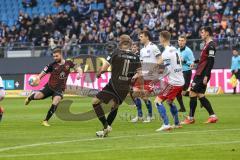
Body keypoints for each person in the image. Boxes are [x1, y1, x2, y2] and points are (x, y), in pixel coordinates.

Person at [92, 35, 141, 138]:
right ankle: (105, 130)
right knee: (115, 106)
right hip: (124, 87)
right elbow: (139, 73)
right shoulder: (135, 56)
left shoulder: (116, 52)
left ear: (121, 41)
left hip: (113, 84)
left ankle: (106, 126)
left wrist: (99, 73)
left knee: (95, 102)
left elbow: (106, 65)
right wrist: (132, 78)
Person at [25, 47, 83, 126]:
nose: (55, 58)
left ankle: (45, 121)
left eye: (56, 56)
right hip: (50, 86)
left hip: (60, 89)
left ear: (61, 55)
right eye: (54, 56)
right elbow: (42, 73)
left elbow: (78, 68)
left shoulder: (69, 63)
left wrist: (80, 74)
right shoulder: (51, 65)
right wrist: (37, 78)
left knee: (56, 102)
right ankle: (30, 98)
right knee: (38, 96)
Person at [182, 26, 218, 124]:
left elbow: (211, 62)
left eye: (202, 32)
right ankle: (213, 116)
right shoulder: (206, 45)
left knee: (192, 93)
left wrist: (206, 75)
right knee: (200, 95)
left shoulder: (211, 45)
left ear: (207, 33)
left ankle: (190, 118)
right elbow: (203, 59)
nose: (201, 34)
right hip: (200, 72)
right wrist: (195, 61)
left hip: (202, 74)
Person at [154, 31, 185, 131]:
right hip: (180, 80)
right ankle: (177, 123)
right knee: (169, 101)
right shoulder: (175, 49)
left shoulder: (166, 53)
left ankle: (166, 124)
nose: (159, 39)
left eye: (159, 37)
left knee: (157, 102)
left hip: (173, 82)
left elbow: (167, 70)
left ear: (163, 38)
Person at [131, 30, 161, 123]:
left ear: (147, 37)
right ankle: (140, 115)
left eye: (141, 36)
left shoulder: (153, 47)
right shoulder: (142, 50)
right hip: (142, 76)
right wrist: (136, 74)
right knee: (135, 93)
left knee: (144, 96)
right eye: (139, 36)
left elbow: (160, 60)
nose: (140, 38)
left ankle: (150, 115)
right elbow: (142, 64)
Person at [176, 35, 195, 113]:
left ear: (185, 41)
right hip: (179, 72)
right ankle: (182, 108)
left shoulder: (188, 51)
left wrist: (184, 61)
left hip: (186, 73)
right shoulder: (177, 50)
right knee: (178, 92)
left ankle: (196, 95)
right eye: (179, 40)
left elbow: (192, 63)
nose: (181, 42)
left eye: (182, 40)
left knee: (182, 92)